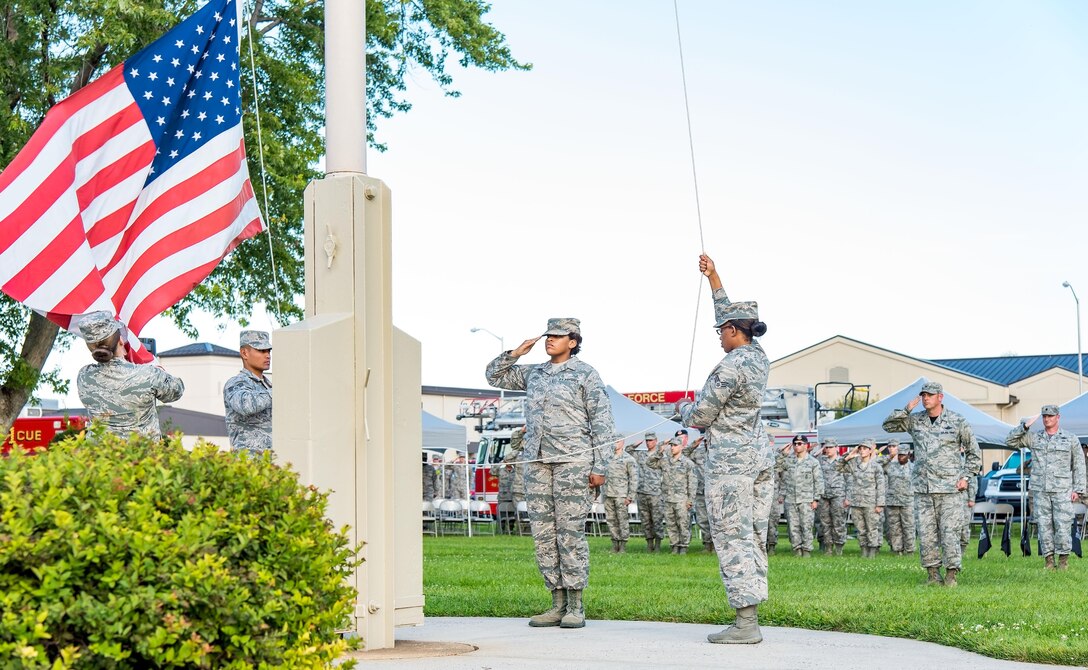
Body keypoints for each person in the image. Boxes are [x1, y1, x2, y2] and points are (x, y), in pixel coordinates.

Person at [486, 317, 615, 629]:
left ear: (573, 341)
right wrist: (516, 352)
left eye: (558, 336)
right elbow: (494, 376)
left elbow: (602, 420)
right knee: (544, 534)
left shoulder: (585, 374)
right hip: (538, 462)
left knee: (570, 533)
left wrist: (601, 466)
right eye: (548, 336)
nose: (550, 340)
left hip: (573, 462)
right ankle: (556, 602)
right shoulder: (535, 373)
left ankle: (576, 604)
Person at [676, 253, 773, 645]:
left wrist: (681, 408)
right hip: (757, 457)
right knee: (751, 534)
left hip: (730, 463)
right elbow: (728, 310)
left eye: (722, 330)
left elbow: (700, 415)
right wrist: (714, 277)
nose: (718, 335)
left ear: (735, 331)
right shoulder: (758, 356)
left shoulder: (730, 366)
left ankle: (746, 623)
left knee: (732, 537)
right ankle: (751, 614)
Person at [883, 381, 981, 586]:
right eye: (923, 395)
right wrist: (906, 409)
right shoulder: (915, 420)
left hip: (950, 488)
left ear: (940, 397)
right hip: (924, 488)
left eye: (930, 395)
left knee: (949, 532)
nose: (926, 398)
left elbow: (974, 453)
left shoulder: (957, 421)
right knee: (927, 534)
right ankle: (932, 575)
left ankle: (951, 575)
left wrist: (966, 477)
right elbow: (888, 425)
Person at [76, 311, 184, 441]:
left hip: (99, 457)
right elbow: (177, 391)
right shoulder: (148, 375)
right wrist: (157, 370)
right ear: (121, 340)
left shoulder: (84, 376)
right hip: (140, 456)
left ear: (91, 348)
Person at [1006, 405, 1087, 570]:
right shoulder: (1035, 438)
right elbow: (1009, 441)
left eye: (1050, 416)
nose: (1047, 419)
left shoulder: (1070, 439)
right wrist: (1025, 426)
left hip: (1062, 490)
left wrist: (1078, 489)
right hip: (1040, 490)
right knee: (1044, 525)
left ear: (1058, 417)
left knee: (1063, 525)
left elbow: (1079, 465)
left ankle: (1063, 561)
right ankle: (1049, 561)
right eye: (1044, 416)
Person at [223, 330, 273, 456]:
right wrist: (277, 392)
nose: (267, 355)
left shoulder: (270, 385)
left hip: (273, 462)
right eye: (261, 351)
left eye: (269, 351)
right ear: (244, 353)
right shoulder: (235, 384)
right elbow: (246, 406)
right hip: (248, 465)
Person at [776, 436, 823, 557]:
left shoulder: (813, 462)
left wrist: (816, 499)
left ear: (806, 445)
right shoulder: (789, 460)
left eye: (800, 443)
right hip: (791, 499)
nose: (797, 446)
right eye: (795, 444)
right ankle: (797, 549)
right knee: (793, 527)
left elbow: (818, 481)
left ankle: (807, 550)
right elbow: (776, 467)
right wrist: (782, 454)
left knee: (806, 526)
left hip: (806, 500)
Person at [650, 438, 698, 554]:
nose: (672, 447)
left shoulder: (687, 463)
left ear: (681, 447)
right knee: (671, 524)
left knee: (683, 524)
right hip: (668, 499)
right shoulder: (665, 461)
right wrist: (659, 451)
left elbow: (692, 483)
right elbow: (650, 463)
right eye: (671, 445)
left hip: (682, 499)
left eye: (675, 445)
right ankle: (674, 546)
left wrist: (690, 500)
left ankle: (684, 547)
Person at [839, 439, 886, 557]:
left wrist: (880, 504)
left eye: (865, 448)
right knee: (860, 529)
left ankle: (872, 551)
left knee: (872, 528)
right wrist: (849, 456)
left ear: (870, 451)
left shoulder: (876, 467)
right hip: (856, 502)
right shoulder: (855, 464)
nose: (862, 451)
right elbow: (838, 467)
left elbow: (880, 486)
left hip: (871, 502)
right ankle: (863, 550)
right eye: (860, 448)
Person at [629, 432, 667, 553]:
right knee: (645, 520)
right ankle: (649, 543)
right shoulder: (641, 454)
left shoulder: (661, 455)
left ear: (656, 441)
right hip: (642, 491)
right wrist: (635, 445)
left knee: (657, 520)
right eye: (647, 441)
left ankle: (658, 545)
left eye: (651, 440)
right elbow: (627, 452)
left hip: (655, 492)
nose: (648, 443)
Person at [604, 436, 638, 553]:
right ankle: (615, 544)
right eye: (613, 442)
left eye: (617, 442)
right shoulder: (607, 458)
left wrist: (630, 496)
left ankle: (623, 544)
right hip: (608, 494)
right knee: (611, 520)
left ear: (622, 443)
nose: (615, 444)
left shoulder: (629, 459)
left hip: (621, 495)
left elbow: (634, 479)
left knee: (622, 520)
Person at [882, 441, 916, 556]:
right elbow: (876, 465)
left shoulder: (914, 468)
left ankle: (910, 550)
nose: (901, 457)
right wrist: (889, 456)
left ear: (909, 455)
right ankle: (898, 551)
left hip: (907, 502)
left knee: (909, 527)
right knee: (894, 528)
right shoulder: (890, 466)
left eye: (903, 455)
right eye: (899, 455)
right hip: (892, 502)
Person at [683, 432, 715, 552]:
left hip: (716, 493)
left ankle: (718, 546)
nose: (707, 443)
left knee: (717, 520)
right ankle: (707, 545)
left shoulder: (720, 453)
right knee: (702, 520)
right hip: (701, 491)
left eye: (709, 440)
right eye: (705, 441)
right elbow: (683, 455)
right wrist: (693, 445)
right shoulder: (698, 453)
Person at [816, 438, 848, 555]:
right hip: (824, 495)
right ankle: (828, 546)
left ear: (836, 448)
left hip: (838, 495)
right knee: (825, 522)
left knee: (838, 521)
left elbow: (848, 479)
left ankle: (839, 547)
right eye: (826, 447)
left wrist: (848, 497)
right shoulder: (820, 461)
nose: (828, 450)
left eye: (830, 447)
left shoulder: (842, 461)